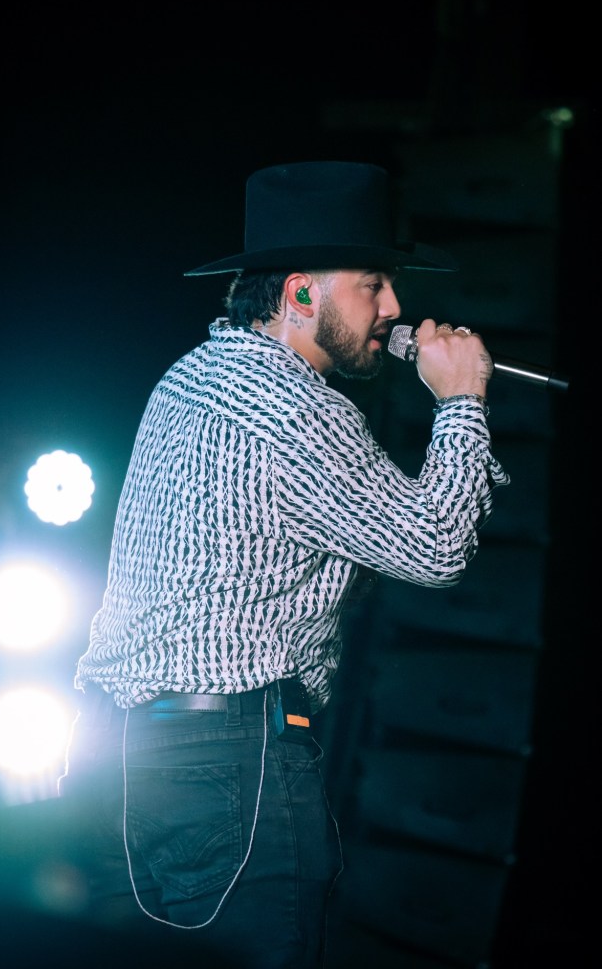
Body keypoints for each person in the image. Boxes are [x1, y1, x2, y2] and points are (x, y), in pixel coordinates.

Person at [58, 160, 509, 968]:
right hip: (228, 763)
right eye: (373, 284)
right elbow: (438, 548)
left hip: (111, 759)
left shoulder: (188, 378)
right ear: (301, 293)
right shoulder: (300, 411)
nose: (395, 307)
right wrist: (463, 401)